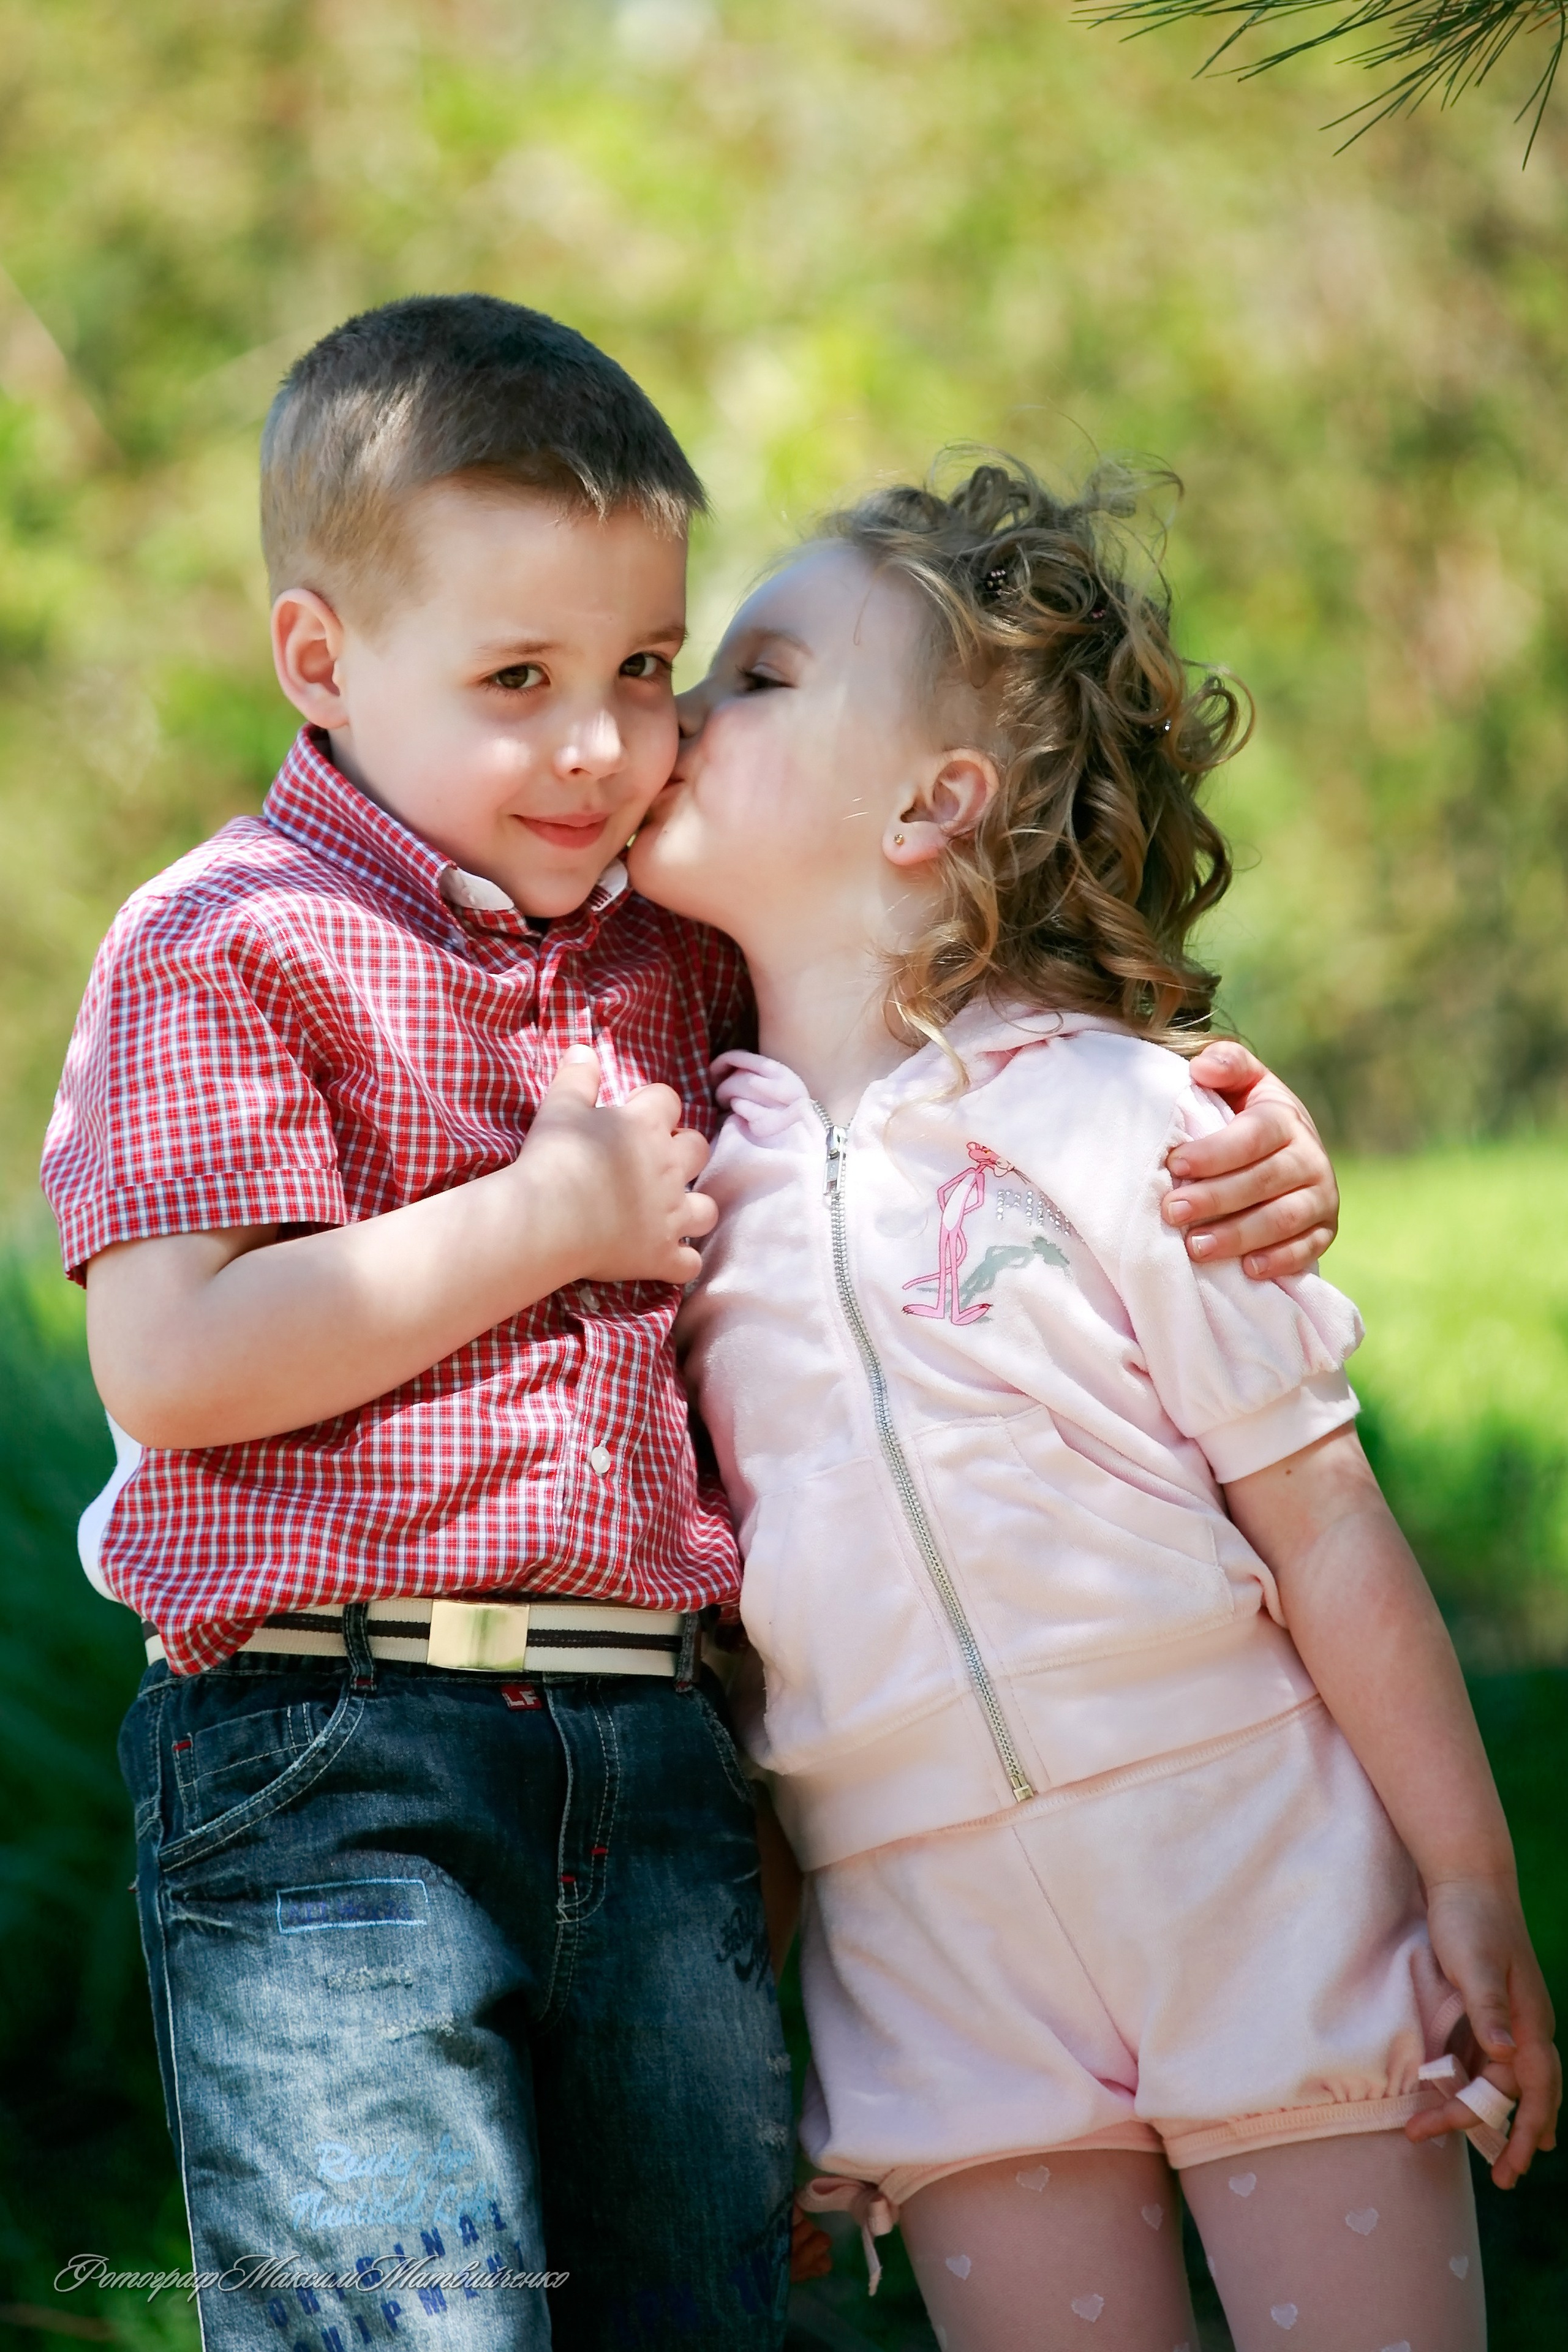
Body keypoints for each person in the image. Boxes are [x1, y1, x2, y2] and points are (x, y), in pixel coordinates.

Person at [42, 290, 1335, 2351]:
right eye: (518, 679)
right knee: (408, 2320)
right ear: (320, 660)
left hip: (657, 1766)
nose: (600, 743)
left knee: (691, 2313)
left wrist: (1226, 1123)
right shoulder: (227, 941)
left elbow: (934, 1034)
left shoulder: (667, 944)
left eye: (646, 668)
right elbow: (177, 1365)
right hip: (329, 1752)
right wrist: (543, 1221)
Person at [631, 456, 1562, 2352]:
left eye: (758, 675)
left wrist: (1468, 1877)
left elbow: (1324, 1525)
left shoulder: (1134, 1124)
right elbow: (735, 1648)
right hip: (932, 1962)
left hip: (1255, 1878)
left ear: (933, 803)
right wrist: (757, 2026)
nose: (682, 713)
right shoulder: (671, 1183)